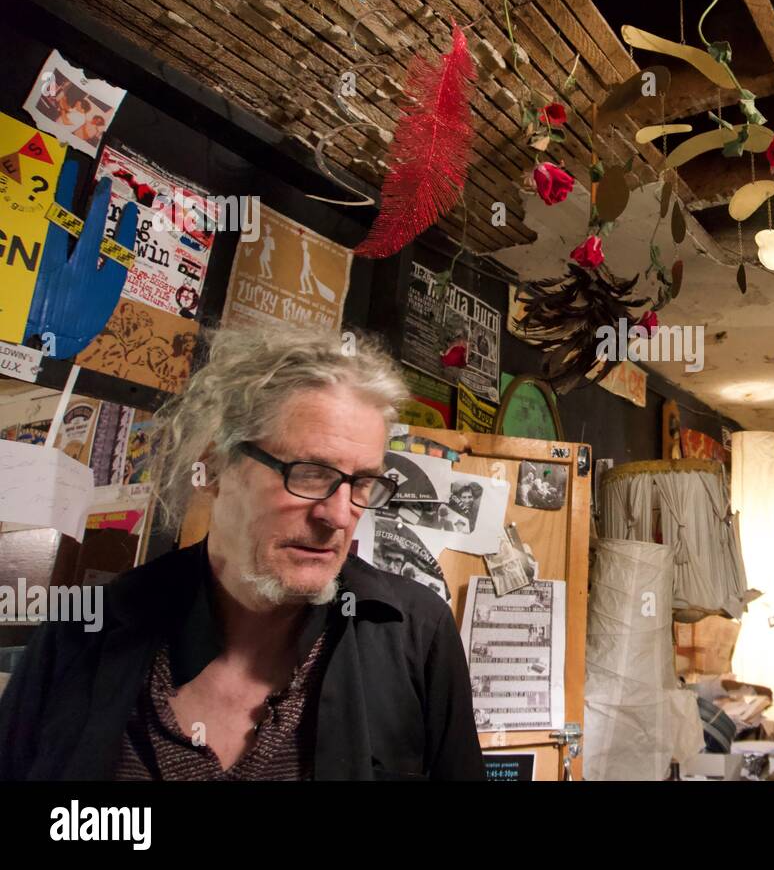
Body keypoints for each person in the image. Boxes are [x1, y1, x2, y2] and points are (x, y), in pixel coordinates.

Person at [0, 322, 484, 780]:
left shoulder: (415, 635)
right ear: (215, 467)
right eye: (310, 472)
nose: (338, 516)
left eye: (363, 483)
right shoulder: (85, 631)